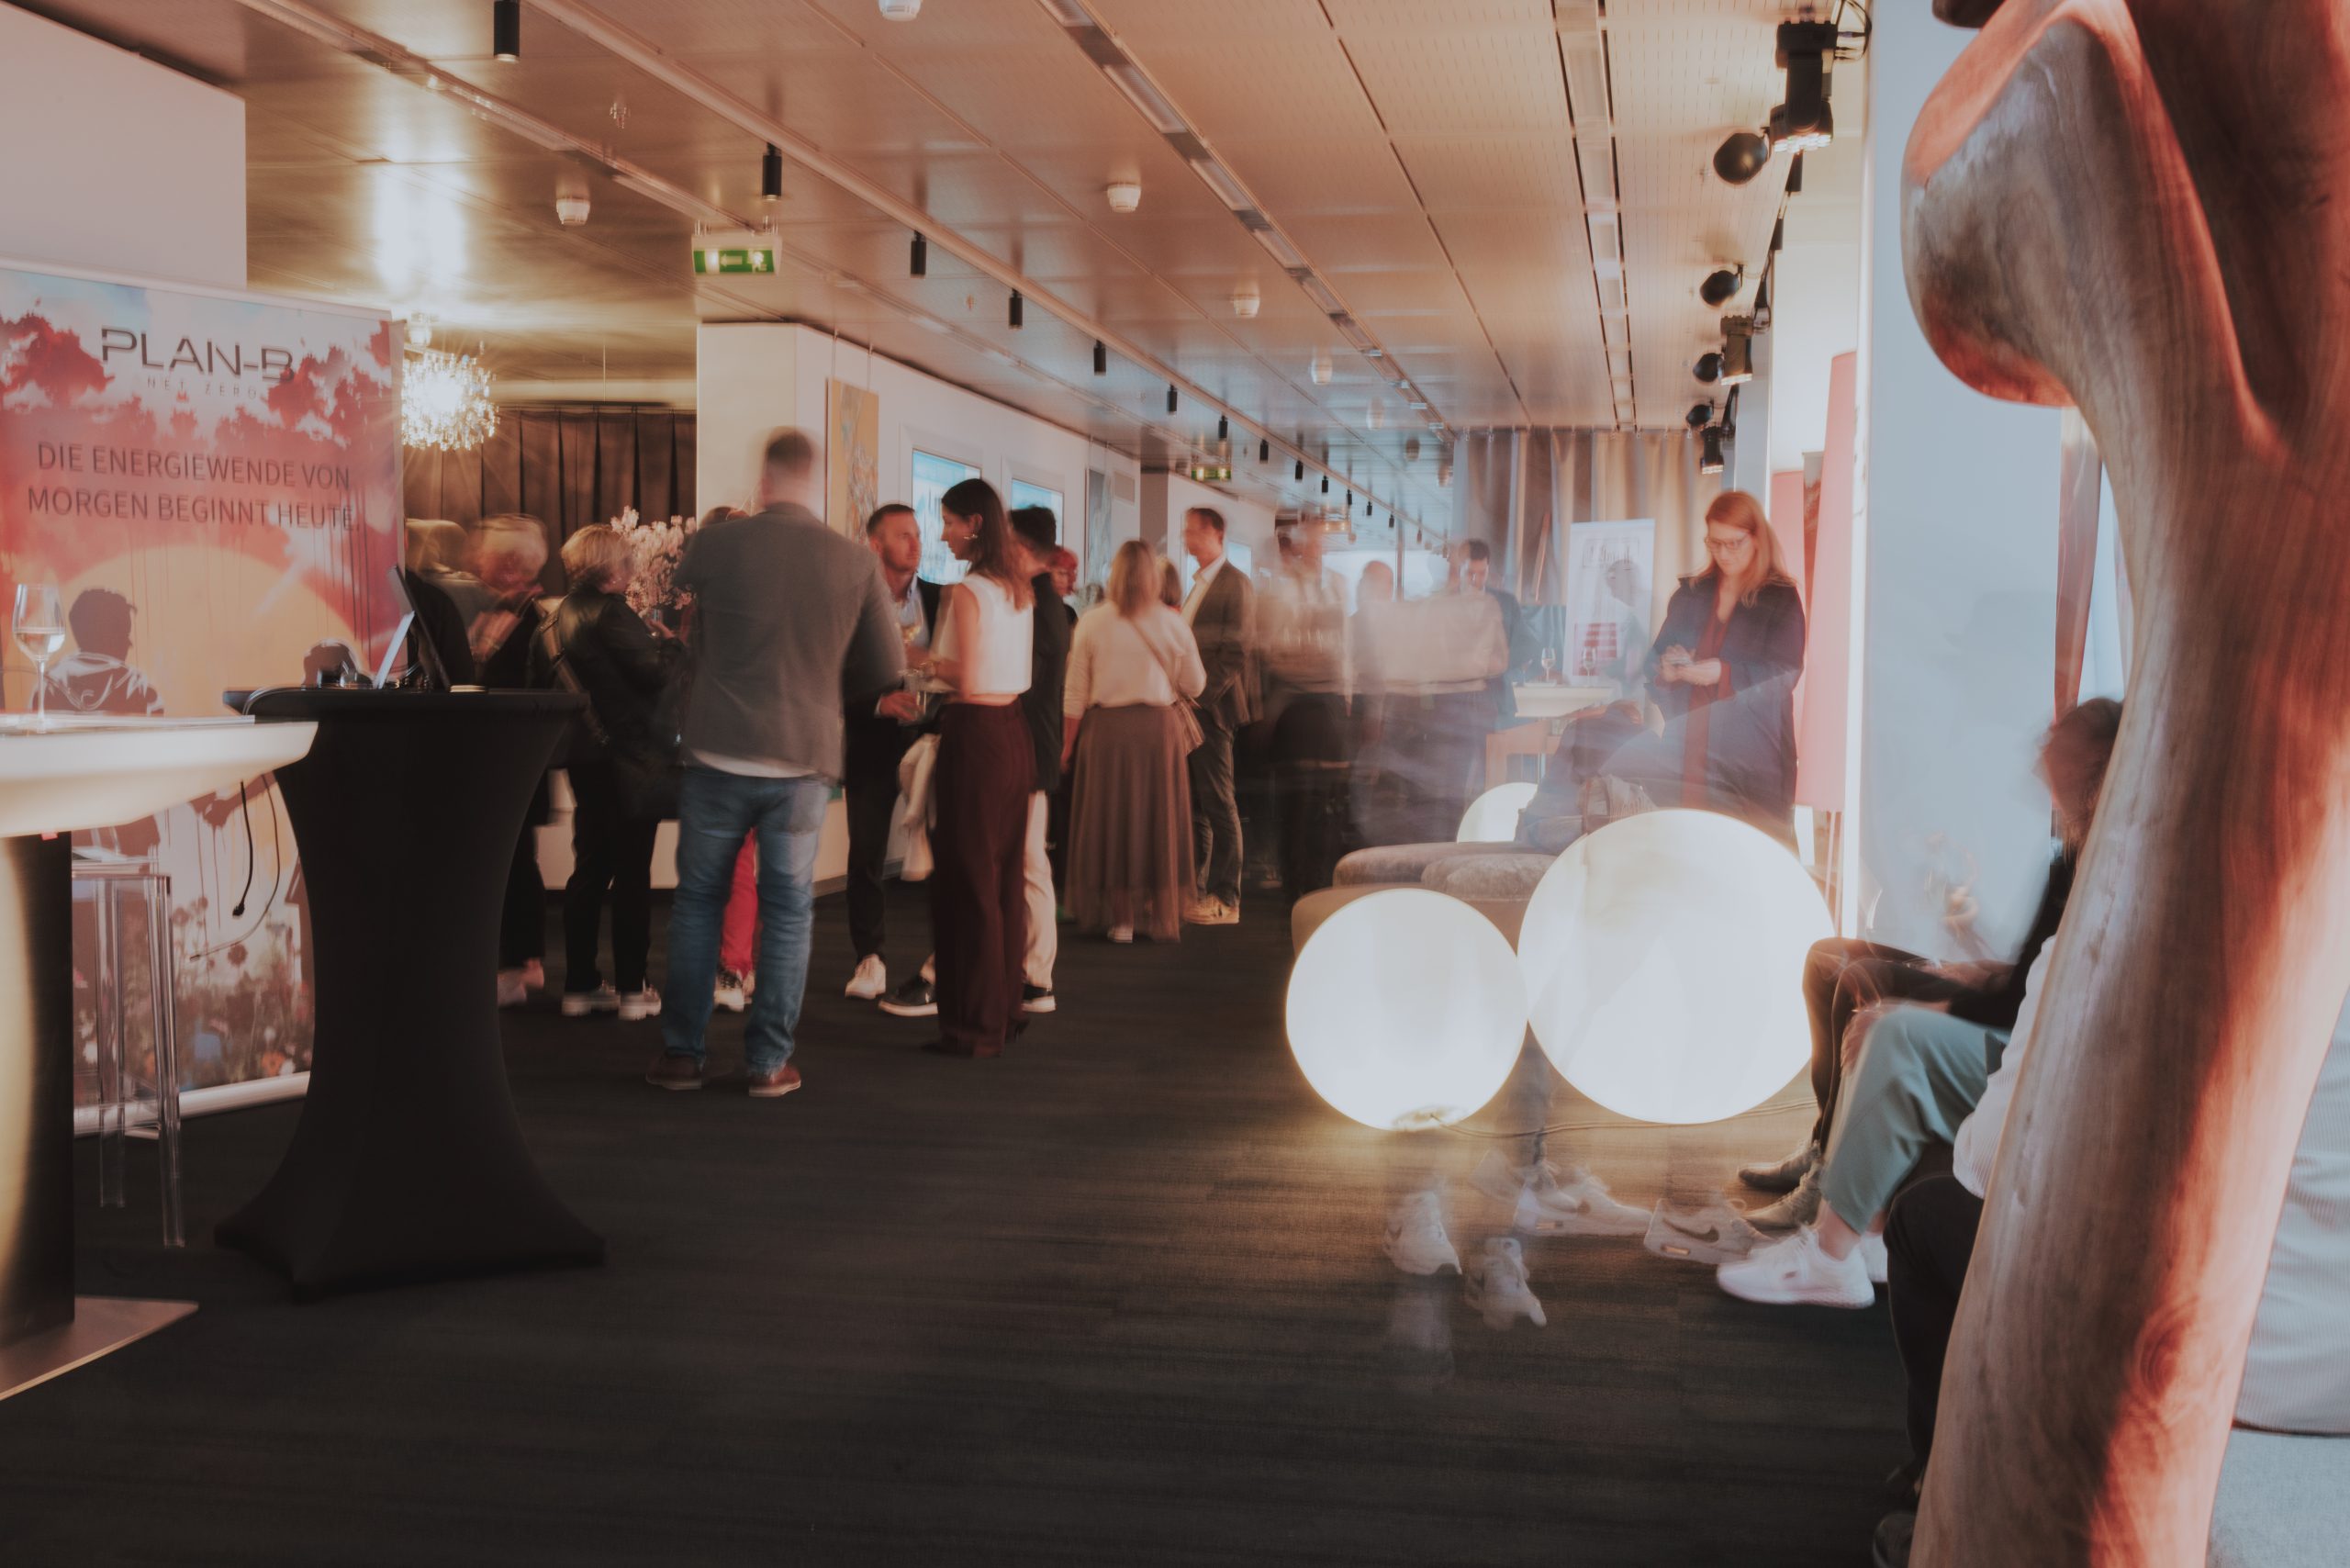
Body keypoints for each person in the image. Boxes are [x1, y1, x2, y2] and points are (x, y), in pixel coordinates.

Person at [1716, 701, 2121, 1307]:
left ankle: (1830, 1249)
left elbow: (2035, 998)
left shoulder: (2102, 860)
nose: (2041, 746)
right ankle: (1833, 1165)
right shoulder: (2070, 850)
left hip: (2026, 1025)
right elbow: (2033, 972)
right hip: (2012, 1001)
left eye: (2058, 739)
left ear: (2089, 764)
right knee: (1835, 962)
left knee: (1890, 1025)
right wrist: (1978, 963)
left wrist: (1928, 1007)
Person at [650, 430, 903, 1097]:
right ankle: (767, 1063)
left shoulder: (715, 543)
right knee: (789, 909)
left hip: (716, 750)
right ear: (814, 483)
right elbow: (885, 668)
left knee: (698, 903)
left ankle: (682, 1056)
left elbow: (671, 619)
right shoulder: (854, 562)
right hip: (801, 758)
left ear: (763, 482)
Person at [537, 526, 679, 1023]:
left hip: (583, 758)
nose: (632, 568)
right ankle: (633, 989)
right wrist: (673, 648)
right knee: (633, 873)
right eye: (627, 561)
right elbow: (655, 675)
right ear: (612, 567)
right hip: (630, 759)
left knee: (590, 868)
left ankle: (579, 985)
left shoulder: (551, 619)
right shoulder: (613, 613)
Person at [922, 478, 1036, 1058]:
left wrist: (918, 659)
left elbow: (962, 676)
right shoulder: (1018, 588)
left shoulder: (969, 592)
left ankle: (974, 1024)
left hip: (976, 735)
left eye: (948, 522)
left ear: (974, 524)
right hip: (1014, 732)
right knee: (1005, 877)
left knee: (968, 880)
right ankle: (1004, 1008)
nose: (942, 534)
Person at [1643, 489, 1806, 844]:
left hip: (1750, 755)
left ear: (1757, 538)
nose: (1724, 553)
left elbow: (1786, 674)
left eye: (1734, 543)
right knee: (1685, 847)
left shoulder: (1780, 597)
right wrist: (1666, 670)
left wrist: (1724, 673)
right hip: (1688, 745)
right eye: (1715, 543)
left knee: (1745, 851)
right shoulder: (1691, 594)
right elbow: (1653, 662)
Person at [1063, 540, 1205, 943]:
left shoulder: (1092, 622)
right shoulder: (1172, 623)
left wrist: (1067, 746)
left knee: (1113, 821)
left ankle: (1122, 919)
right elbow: (1196, 684)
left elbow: (1074, 693)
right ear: (1152, 578)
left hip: (1105, 733)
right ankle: (1159, 913)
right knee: (1157, 820)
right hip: (1159, 733)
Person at [836, 502, 941, 1004]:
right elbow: (831, 674)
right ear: (875, 545)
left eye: (918, 534)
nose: (916, 543)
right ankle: (870, 957)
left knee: (945, 851)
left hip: (932, 739)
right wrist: (878, 703)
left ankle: (942, 960)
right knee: (866, 855)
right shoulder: (850, 604)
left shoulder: (941, 599)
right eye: (904, 535)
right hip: (872, 740)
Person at [469, 514, 555, 1009]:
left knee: (517, 862)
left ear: (508, 565)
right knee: (515, 859)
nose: (476, 560)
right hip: (505, 758)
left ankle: (522, 966)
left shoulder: (530, 620)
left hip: (517, 758)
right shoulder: (502, 612)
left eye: (485, 553)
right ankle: (520, 963)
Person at [1259, 517, 1352, 901]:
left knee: (1325, 797)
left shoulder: (1336, 587)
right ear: (1299, 548)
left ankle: (1318, 876)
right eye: (1310, 544)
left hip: (1327, 700)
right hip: (1295, 703)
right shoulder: (1282, 590)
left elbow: (1344, 646)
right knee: (1295, 800)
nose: (1316, 550)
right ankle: (1294, 879)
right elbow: (1270, 645)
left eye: (1320, 544)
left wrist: (1346, 691)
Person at [1179, 506, 1258, 924]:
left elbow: (1236, 650)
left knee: (1219, 802)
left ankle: (1227, 897)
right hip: (1193, 708)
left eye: (1194, 532)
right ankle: (1194, 890)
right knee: (1197, 803)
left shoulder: (1234, 584)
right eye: (1187, 532)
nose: (1187, 539)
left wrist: (1202, 696)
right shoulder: (1199, 585)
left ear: (1217, 535)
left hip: (1212, 709)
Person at [40, 588, 164, 716]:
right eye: (125, 635)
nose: (130, 644)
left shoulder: (50, 682)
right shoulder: (136, 684)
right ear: (106, 637)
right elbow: (158, 718)